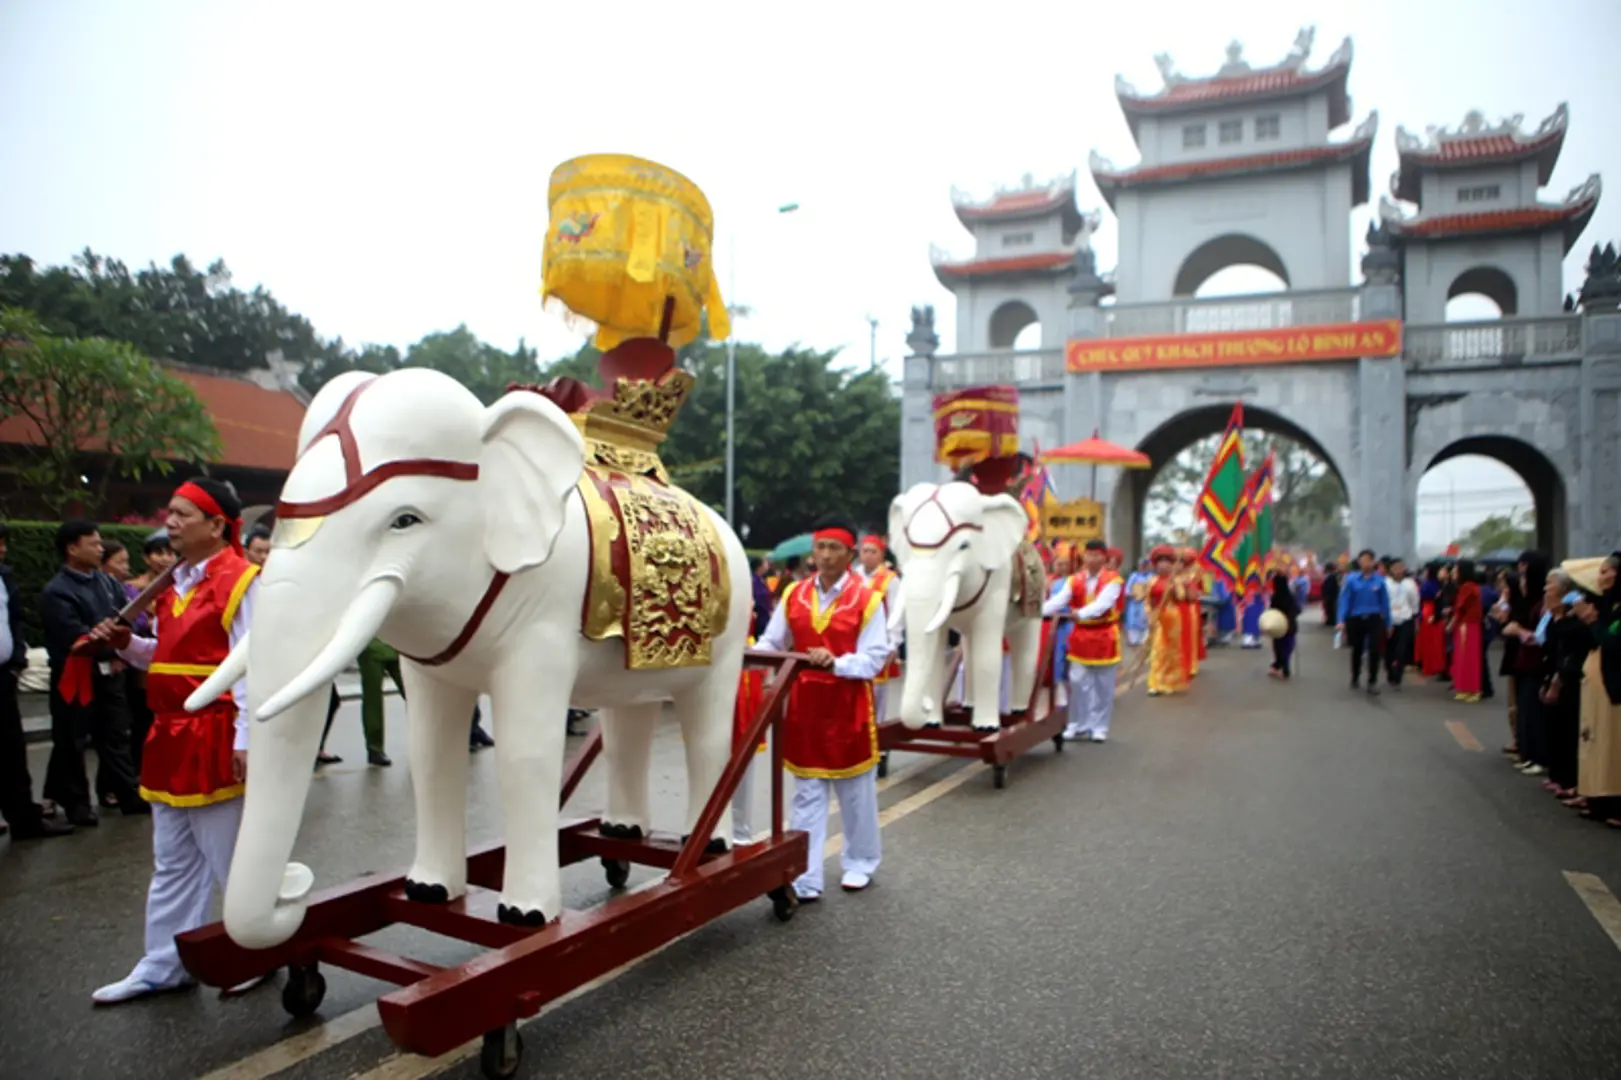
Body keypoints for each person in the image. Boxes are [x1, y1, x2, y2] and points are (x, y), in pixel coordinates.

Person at [88, 477, 263, 1004]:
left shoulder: (242, 580)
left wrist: (246, 738)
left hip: (215, 729)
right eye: (170, 512)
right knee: (172, 859)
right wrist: (128, 645)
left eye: (184, 514)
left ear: (216, 525)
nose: (170, 521)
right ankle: (163, 963)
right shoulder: (172, 581)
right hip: (168, 732)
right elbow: (165, 656)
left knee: (229, 857)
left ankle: (252, 952)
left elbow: (253, 663)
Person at [753, 515, 888, 900]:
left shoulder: (868, 599)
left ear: (850, 555)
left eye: (834, 549)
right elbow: (772, 641)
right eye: (820, 547)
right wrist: (745, 655)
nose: (825, 556)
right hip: (805, 706)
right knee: (807, 793)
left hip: (847, 705)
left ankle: (860, 862)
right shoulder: (794, 594)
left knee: (855, 792)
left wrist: (836, 661)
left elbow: (874, 659)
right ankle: (805, 874)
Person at [40, 521, 147, 825]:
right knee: (72, 739)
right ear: (72, 548)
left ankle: (127, 793)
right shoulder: (56, 592)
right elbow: (73, 636)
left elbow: (130, 617)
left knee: (116, 734)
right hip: (75, 675)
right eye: (94, 544)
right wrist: (110, 644)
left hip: (110, 671)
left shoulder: (107, 583)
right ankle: (77, 804)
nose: (100, 549)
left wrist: (118, 644)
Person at [0, 523, 73, 840]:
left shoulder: (4, 578)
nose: (3, 549)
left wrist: (16, 658)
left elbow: (15, 620)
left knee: (11, 751)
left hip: (3, 675)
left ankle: (24, 819)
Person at [1042, 539, 1123, 742]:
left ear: (1104, 557)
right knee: (1078, 682)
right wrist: (1036, 612)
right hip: (1080, 637)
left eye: (1097, 555)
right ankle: (1077, 723)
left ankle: (1099, 727)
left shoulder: (1113, 580)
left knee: (1103, 686)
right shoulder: (1075, 580)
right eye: (1089, 554)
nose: (1093, 559)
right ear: (1084, 556)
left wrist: (1079, 613)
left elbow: (1103, 605)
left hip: (1104, 636)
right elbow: (1059, 600)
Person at [1574, 553, 1621, 825]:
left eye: (1606, 572)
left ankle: (1613, 802)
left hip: (1614, 686)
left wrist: (1592, 620)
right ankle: (1595, 797)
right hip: (1597, 683)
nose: (1600, 578)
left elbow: (1612, 642)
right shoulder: (1608, 605)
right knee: (1594, 739)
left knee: (1612, 745)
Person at [854, 534, 903, 723]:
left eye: (872, 551)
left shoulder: (890, 580)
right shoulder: (852, 576)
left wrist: (893, 642)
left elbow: (895, 614)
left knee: (877, 690)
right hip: (854, 638)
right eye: (864, 551)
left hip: (879, 640)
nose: (867, 555)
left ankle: (879, 734)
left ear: (881, 555)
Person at [1336, 549, 1390, 695]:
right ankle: (1355, 676)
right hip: (1356, 619)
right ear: (1359, 562)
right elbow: (1345, 600)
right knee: (1357, 649)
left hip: (1374, 618)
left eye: (1369, 560)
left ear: (1373, 562)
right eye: (1363, 560)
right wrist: (1341, 619)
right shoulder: (1351, 580)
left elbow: (1385, 603)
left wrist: (1388, 623)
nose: (1366, 563)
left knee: (1374, 650)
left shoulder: (1380, 581)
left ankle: (1372, 681)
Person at [1145, 546, 1189, 697]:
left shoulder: (1175, 580)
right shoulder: (1152, 581)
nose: (1163, 565)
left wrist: (1175, 586)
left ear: (1171, 564)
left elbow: (1181, 597)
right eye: (1160, 562)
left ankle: (1169, 681)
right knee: (1158, 649)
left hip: (1173, 616)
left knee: (1171, 650)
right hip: (1158, 616)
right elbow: (1148, 601)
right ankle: (1155, 683)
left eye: (1166, 561)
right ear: (1156, 564)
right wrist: (1149, 615)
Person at [1447, 560, 1484, 702]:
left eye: (1456, 570)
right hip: (1470, 625)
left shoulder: (1467, 587)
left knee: (1466, 658)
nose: (1453, 573)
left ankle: (1471, 689)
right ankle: (1466, 688)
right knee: (1467, 658)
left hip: (1467, 625)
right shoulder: (1471, 586)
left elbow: (1460, 609)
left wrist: (1451, 624)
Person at [1385, 557, 1419, 688]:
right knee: (1389, 650)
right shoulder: (1386, 583)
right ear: (1391, 569)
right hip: (1390, 620)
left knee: (1401, 649)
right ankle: (1390, 670)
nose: (1399, 571)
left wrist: (1415, 619)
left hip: (1405, 618)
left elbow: (1414, 602)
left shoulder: (1410, 584)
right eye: (1396, 568)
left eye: (1401, 567)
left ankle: (1398, 675)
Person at [1268, 570, 1301, 679]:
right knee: (1287, 648)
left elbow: (1271, 611)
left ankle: (1279, 665)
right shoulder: (1290, 596)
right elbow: (1297, 610)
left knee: (1278, 648)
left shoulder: (1275, 597)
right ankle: (1281, 666)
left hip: (1277, 627)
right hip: (1290, 627)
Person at [1124, 558, 1151, 648]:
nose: (1143, 567)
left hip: (1146, 606)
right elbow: (1127, 591)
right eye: (1141, 565)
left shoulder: (1151, 577)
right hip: (1134, 606)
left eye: (1145, 565)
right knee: (1133, 630)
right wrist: (1135, 594)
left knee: (1145, 630)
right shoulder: (1134, 576)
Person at [1319, 561, 1341, 626]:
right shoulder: (1330, 576)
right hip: (1329, 595)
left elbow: (1331, 586)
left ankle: (1332, 621)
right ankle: (1330, 620)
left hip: (1332, 595)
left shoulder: (1333, 576)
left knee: (1331, 608)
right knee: (1329, 608)